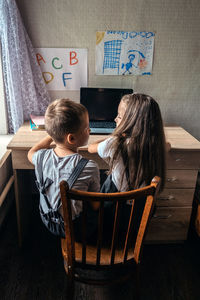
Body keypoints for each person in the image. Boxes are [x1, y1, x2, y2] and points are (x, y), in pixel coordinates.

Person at [28, 98, 100, 238]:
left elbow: (31, 152)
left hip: (48, 221)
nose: (90, 130)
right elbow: (96, 206)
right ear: (71, 139)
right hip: (76, 228)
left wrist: (53, 135)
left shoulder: (40, 158)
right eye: (87, 128)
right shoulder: (90, 167)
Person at [88, 93, 168, 193]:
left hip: (115, 205)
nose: (115, 119)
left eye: (119, 117)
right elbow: (167, 145)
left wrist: (114, 135)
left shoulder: (114, 143)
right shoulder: (157, 144)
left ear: (130, 121)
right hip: (141, 205)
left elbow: (90, 148)